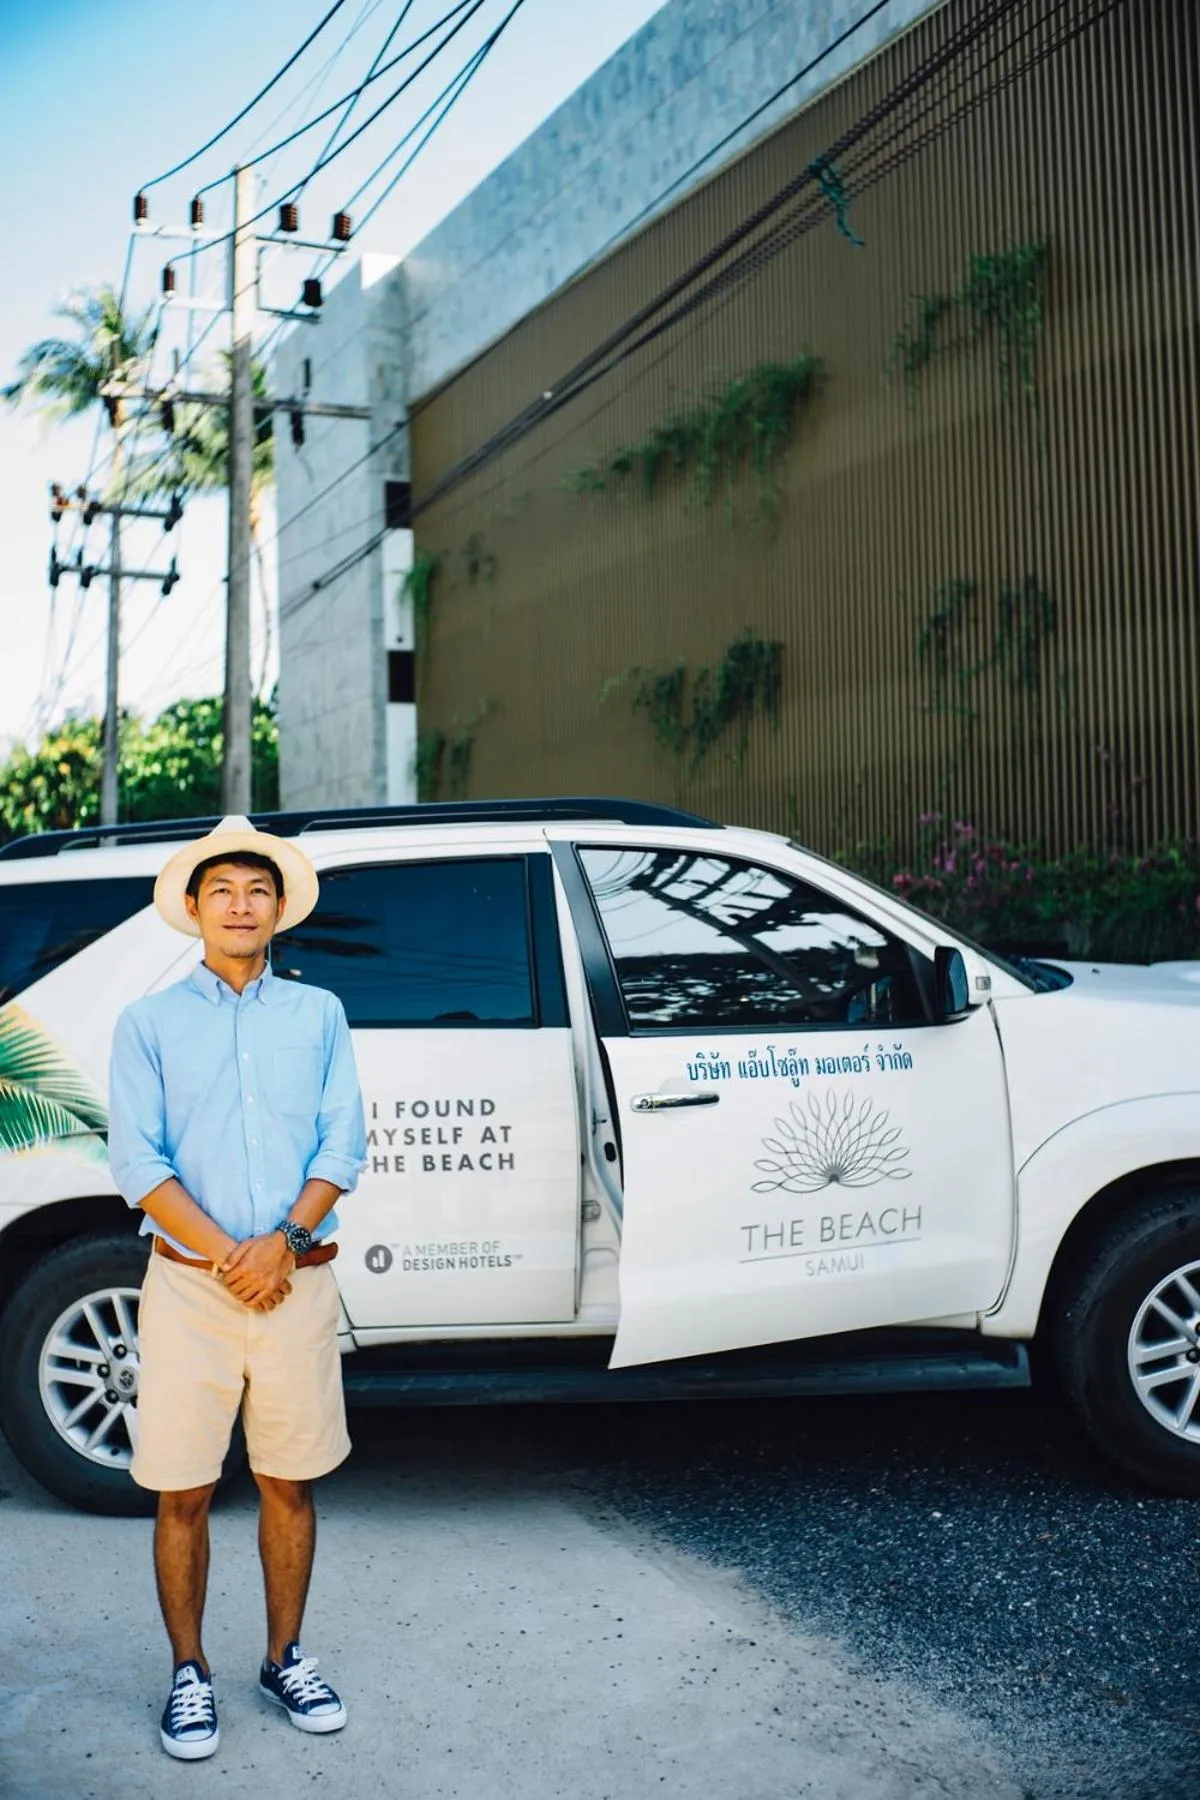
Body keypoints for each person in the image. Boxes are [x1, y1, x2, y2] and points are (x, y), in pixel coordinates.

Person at [107, 814, 367, 1762]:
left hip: (296, 1284)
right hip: (190, 1292)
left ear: (279, 908)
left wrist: (285, 1244)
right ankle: (189, 1673)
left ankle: (283, 1657)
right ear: (194, 908)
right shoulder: (148, 1024)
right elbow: (138, 1163)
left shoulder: (320, 1015)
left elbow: (345, 1143)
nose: (241, 903)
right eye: (223, 890)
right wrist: (236, 1258)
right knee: (180, 1491)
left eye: (257, 889)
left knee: (286, 1482)